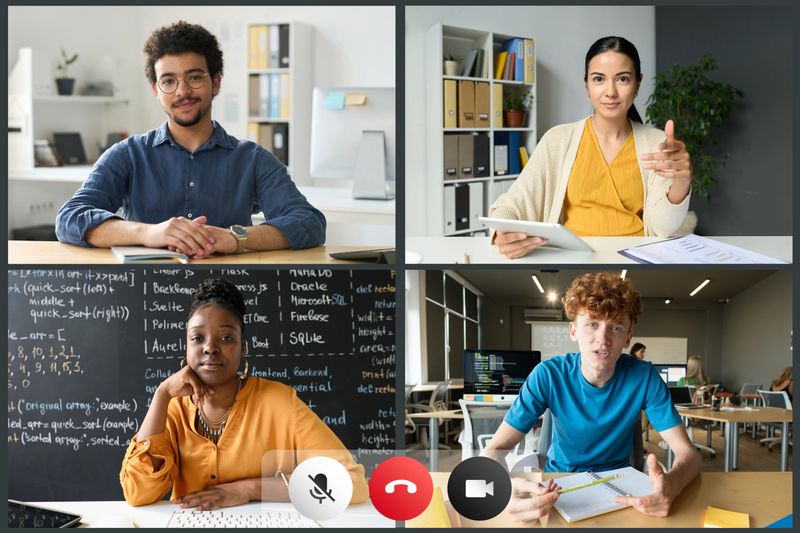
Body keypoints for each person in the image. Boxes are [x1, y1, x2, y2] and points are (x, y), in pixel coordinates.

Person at [56, 21, 325, 257]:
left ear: (215, 83)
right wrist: (149, 233)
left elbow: (309, 222)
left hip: (227, 291)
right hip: (144, 289)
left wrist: (234, 238)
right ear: (156, 90)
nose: (182, 91)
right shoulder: (128, 155)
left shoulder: (252, 159)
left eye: (194, 77)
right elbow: (70, 218)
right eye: (168, 81)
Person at [120, 278, 367, 509]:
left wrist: (248, 489)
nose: (210, 348)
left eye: (226, 338)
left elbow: (351, 483)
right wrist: (162, 394)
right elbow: (137, 494)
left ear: (243, 347)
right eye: (197, 338)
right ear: (186, 347)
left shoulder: (280, 403)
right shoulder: (173, 410)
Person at [483, 272, 700, 522]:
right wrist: (503, 489)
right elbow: (494, 450)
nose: (603, 339)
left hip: (621, 485)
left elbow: (689, 454)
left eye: (615, 327)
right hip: (559, 484)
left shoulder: (645, 377)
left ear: (628, 337)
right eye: (592, 324)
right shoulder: (547, 375)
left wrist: (672, 485)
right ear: (573, 330)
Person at [490, 36, 692, 259]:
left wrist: (681, 182)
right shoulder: (557, 140)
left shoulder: (657, 143)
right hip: (571, 260)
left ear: (637, 84)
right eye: (599, 79)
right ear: (587, 84)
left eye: (623, 79)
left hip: (633, 260)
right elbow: (512, 204)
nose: (610, 91)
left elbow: (663, 228)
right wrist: (503, 232)